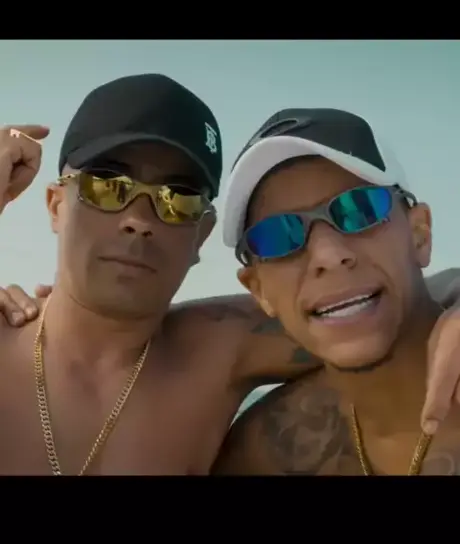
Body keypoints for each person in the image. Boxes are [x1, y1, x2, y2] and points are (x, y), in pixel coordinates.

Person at [1, 82, 460, 475]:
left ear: (201, 234)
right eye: (107, 187)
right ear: (56, 206)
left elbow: (398, 303)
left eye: (178, 199)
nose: (138, 220)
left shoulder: (220, 347)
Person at [212, 107, 460, 475]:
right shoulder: (264, 453)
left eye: (358, 210)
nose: (328, 255)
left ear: (419, 235)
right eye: (279, 236)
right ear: (259, 290)